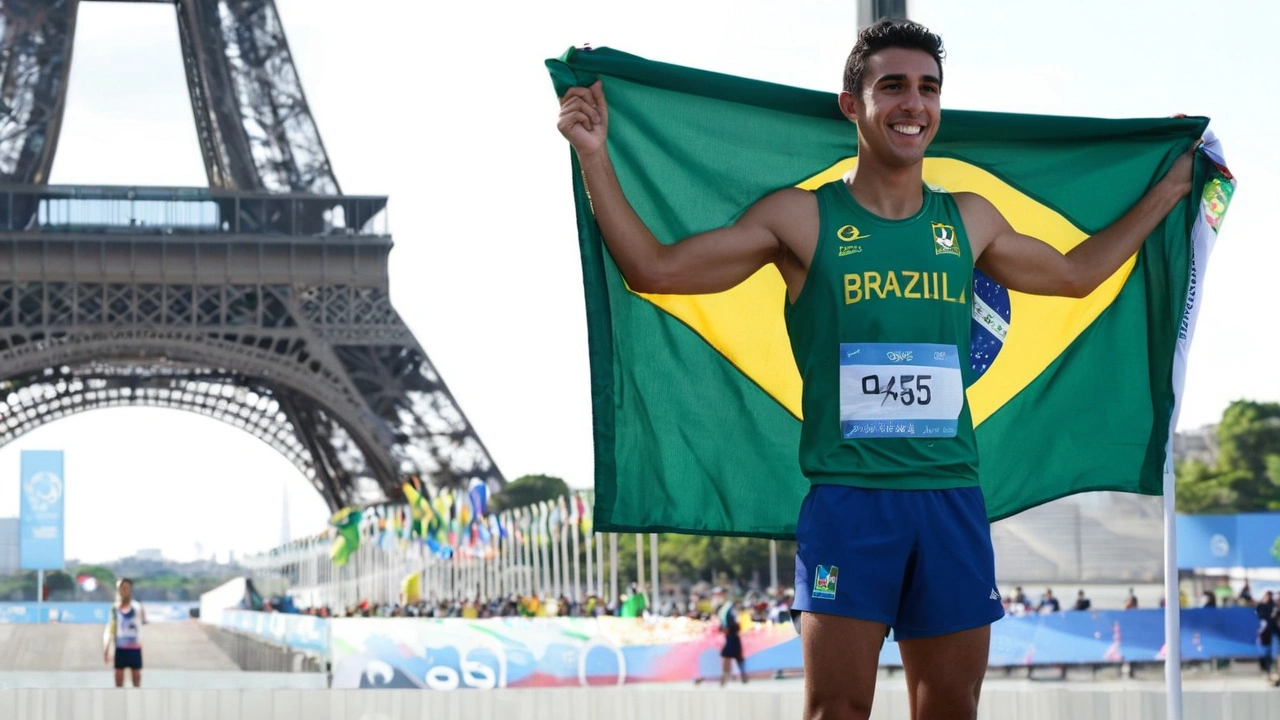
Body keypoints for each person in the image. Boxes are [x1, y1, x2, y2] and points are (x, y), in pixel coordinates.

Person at [556, 18, 1195, 720]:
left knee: (950, 706)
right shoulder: (799, 219)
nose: (912, 104)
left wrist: (1167, 190)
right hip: (849, 503)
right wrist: (594, 155)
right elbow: (654, 270)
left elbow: (1075, 275)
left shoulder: (971, 221)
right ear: (850, 104)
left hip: (950, 500)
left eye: (927, 88)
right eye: (891, 87)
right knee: (837, 709)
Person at [102, 578, 146, 687]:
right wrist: (107, 647)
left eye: (126, 588)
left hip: (135, 648)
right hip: (120, 648)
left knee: (136, 680)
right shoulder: (115, 608)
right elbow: (111, 628)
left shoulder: (138, 607)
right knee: (118, 680)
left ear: (130, 589)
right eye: (120, 588)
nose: (123, 591)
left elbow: (143, 623)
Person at [718, 599, 748, 687]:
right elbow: (727, 626)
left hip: (734, 637)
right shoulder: (730, 614)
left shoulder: (736, 613)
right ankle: (725, 677)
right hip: (731, 638)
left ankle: (742, 675)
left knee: (737, 657)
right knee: (728, 657)